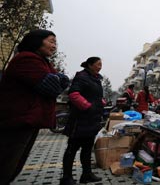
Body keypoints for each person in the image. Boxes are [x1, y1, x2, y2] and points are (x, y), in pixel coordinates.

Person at [0, 30, 69, 185]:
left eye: (55, 43)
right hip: (18, 120)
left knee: (14, 166)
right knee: (6, 165)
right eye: (51, 41)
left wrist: (57, 79)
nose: (54, 46)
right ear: (37, 41)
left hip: (29, 121)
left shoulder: (43, 61)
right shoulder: (26, 59)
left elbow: (62, 81)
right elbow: (52, 86)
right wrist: (57, 79)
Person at [60, 57, 105, 185]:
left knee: (87, 149)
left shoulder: (96, 79)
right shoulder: (82, 76)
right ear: (90, 65)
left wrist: (101, 102)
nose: (100, 66)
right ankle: (66, 178)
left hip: (92, 120)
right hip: (80, 120)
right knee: (72, 149)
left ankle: (86, 174)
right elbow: (74, 94)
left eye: (101, 64)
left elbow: (94, 95)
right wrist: (88, 106)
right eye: (98, 64)